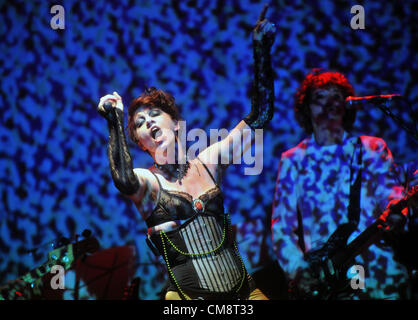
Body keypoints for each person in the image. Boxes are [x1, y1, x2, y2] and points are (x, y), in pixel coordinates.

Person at [97, 6, 276, 300]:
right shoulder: (148, 183)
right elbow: (123, 179)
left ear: (176, 125)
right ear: (141, 144)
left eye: (155, 114)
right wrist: (115, 119)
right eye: (141, 124)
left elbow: (260, 117)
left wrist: (261, 50)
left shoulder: (209, 163)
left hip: (245, 295)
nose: (149, 122)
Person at [271, 69, 410, 299]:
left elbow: (391, 194)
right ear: (307, 108)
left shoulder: (370, 148)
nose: (329, 104)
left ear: (346, 105)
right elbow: (281, 228)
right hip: (329, 281)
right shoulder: (293, 160)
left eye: (336, 97)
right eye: (320, 98)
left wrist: (398, 213)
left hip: (378, 272)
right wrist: (299, 271)